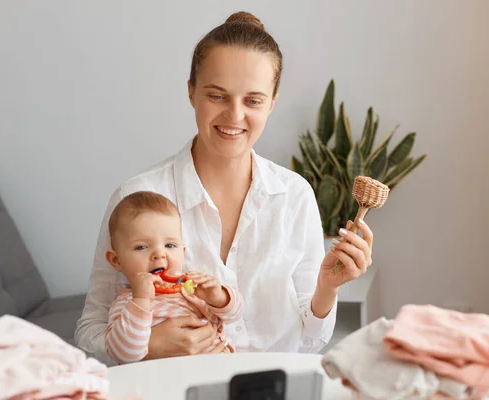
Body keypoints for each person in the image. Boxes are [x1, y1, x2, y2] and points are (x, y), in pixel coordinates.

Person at [75, 11, 374, 365]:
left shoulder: (295, 196)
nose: (234, 116)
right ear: (191, 92)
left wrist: (328, 286)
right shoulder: (135, 198)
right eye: (217, 96)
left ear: (272, 103)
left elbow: (310, 342)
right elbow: (89, 332)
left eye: (253, 101)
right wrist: (148, 344)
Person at [104, 191, 243, 364]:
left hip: (225, 365)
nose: (159, 254)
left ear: (182, 252)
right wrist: (141, 300)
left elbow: (235, 315)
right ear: (116, 260)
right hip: (173, 379)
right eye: (141, 247)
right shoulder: (127, 305)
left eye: (170, 245)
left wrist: (218, 297)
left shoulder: (194, 289)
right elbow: (124, 353)